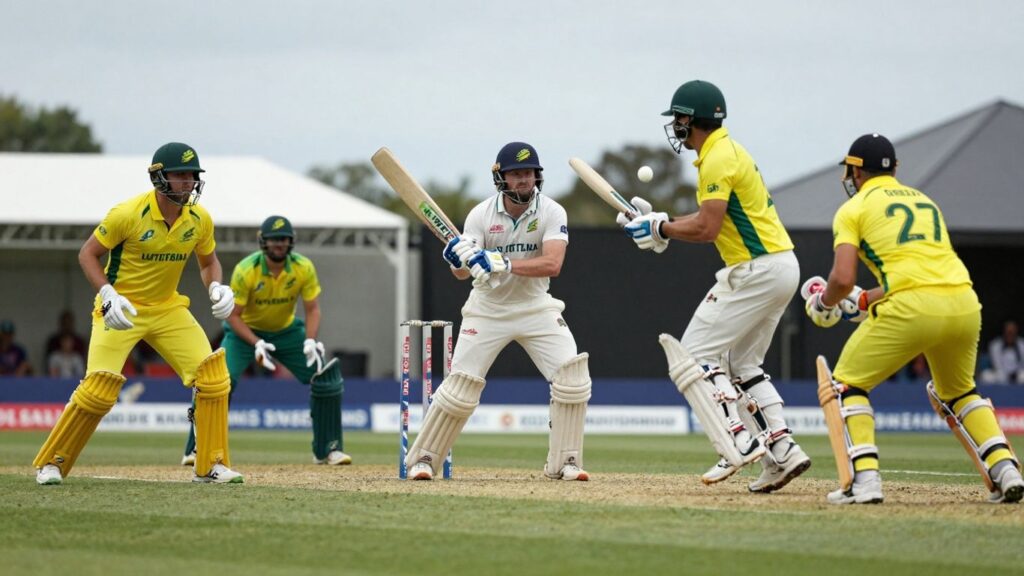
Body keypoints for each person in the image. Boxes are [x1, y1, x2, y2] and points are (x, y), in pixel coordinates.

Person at [805, 133, 1023, 504]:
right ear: (896, 169)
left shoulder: (853, 210)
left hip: (913, 308)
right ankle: (1007, 469)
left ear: (856, 172)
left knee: (846, 386)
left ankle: (865, 482)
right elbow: (924, 273)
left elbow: (841, 279)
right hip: (964, 303)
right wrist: (865, 300)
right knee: (959, 392)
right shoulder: (926, 201)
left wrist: (826, 303)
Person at [617, 80, 810, 492]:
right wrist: (661, 225)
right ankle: (783, 451)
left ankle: (736, 441)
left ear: (693, 119)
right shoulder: (728, 150)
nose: (675, 126)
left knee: (692, 354)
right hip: (781, 266)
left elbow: (707, 226)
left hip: (755, 270)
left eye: (679, 118)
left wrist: (661, 227)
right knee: (743, 365)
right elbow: (706, 219)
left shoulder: (717, 157)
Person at [33, 142, 243, 485]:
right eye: (180, 175)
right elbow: (88, 254)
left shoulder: (199, 219)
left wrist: (216, 287)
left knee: (214, 378)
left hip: (167, 309)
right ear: (159, 177)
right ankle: (52, 463)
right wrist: (107, 293)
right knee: (98, 389)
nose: (189, 182)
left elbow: (209, 262)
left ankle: (211, 465)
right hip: (121, 310)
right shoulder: (127, 214)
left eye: (193, 175)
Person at [404, 141, 592, 482]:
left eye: (529, 174)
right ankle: (424, 460)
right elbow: (461, 273)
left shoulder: (552, 211)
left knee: (572, 378)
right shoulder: (480, 215)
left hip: (536, 307)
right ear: (501, 179)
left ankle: (565, 462)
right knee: (460, 387)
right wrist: (457, 259)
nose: (524, 180)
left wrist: (503, 261)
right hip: (487, 309)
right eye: (516, 174)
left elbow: (553, 264)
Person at [181, 215, 350, 466]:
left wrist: (310, 341)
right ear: (263, 242)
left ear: (291, 242)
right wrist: (256, 342)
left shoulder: (303, 267)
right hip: (244, 332)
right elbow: (234, 316)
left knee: (326, 376)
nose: (279, 245)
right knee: (216, 381)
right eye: (273, 240)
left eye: (283, 239)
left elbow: (313, 309)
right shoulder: (246, 269)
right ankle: (197, 449)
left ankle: (327, 449)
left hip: (286, 332)